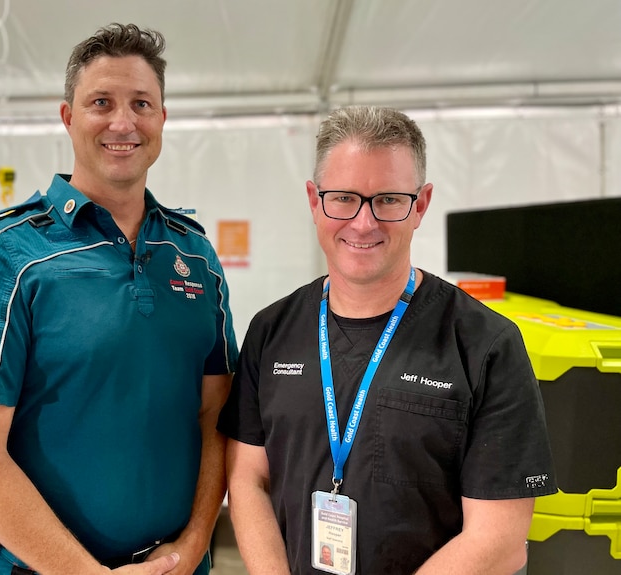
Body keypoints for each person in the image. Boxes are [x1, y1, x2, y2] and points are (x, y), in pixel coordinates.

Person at [0, 23, 238, 575]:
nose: (123, 122)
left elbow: (216, 412)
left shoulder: (194, 255)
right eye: (101, 102)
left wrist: (194, 544)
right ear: (68, 117)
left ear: (162, 120)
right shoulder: (5, 255)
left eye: (141, 103)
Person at [217, 106, 557, 574]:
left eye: (389, 200)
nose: (363, 223)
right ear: (315, 201)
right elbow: (247, 479)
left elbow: (500, 539)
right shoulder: (271, 331)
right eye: (343, 198)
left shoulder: (485, 345)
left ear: (420, 204)